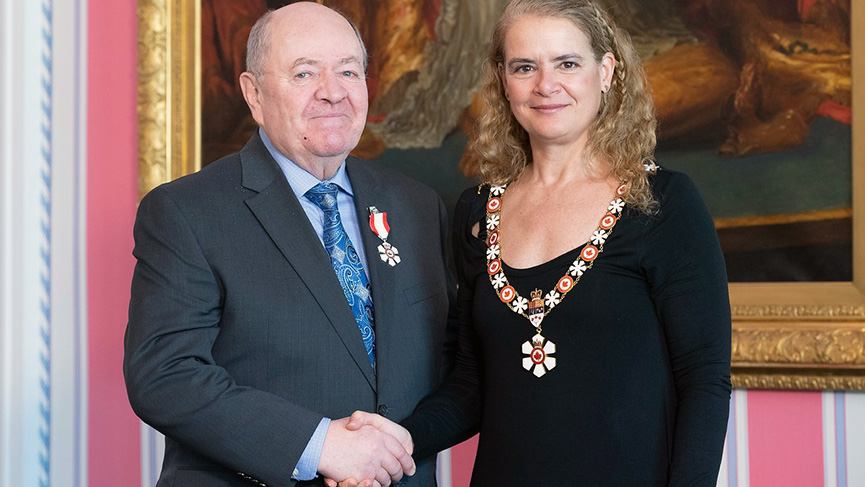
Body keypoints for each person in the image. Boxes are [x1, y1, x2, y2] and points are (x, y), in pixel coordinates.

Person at [340, 0, 732, 485]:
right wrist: (397, 441)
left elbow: (705, 380)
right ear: (504, 81)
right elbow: (471, 384)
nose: (546, 85)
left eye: (567, 63)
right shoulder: (476, 213)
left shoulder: (664, 203)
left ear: (605, 71)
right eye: (525, 67)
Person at [124, 3, 455, 486]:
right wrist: (320, 445)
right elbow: (166, 374)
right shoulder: (185, 211)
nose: (332, 92)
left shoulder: (416, 206)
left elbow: (453, 359)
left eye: (348, 71)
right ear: (253, 94)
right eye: (304, 73)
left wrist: (398, 447)